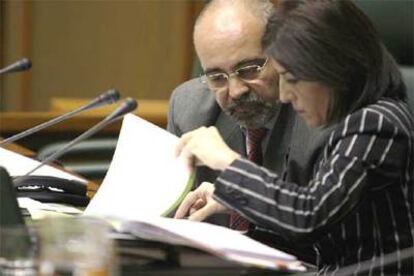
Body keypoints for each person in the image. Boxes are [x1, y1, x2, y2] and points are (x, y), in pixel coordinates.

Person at [174, 0, 414, 274]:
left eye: (292, 78)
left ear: (334, 68)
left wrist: (228, 162)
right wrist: (234, 200)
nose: (285, 94)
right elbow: (315, 235)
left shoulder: (376, 124)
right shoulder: (352, 122)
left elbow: (308, 216)